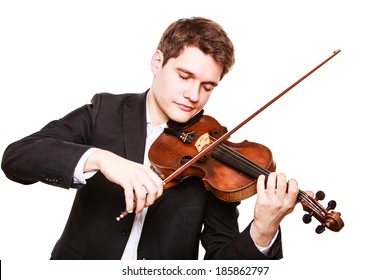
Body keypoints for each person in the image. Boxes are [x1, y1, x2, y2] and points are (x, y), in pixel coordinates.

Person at [1, 17, 302, 260]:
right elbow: (17, 157)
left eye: (208, 86)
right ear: (157, 62)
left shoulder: (215, 160)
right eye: (184, 77)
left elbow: (222, 264)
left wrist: (263, 229)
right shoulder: (105, 111)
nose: (194, 96)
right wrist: (101, 158)